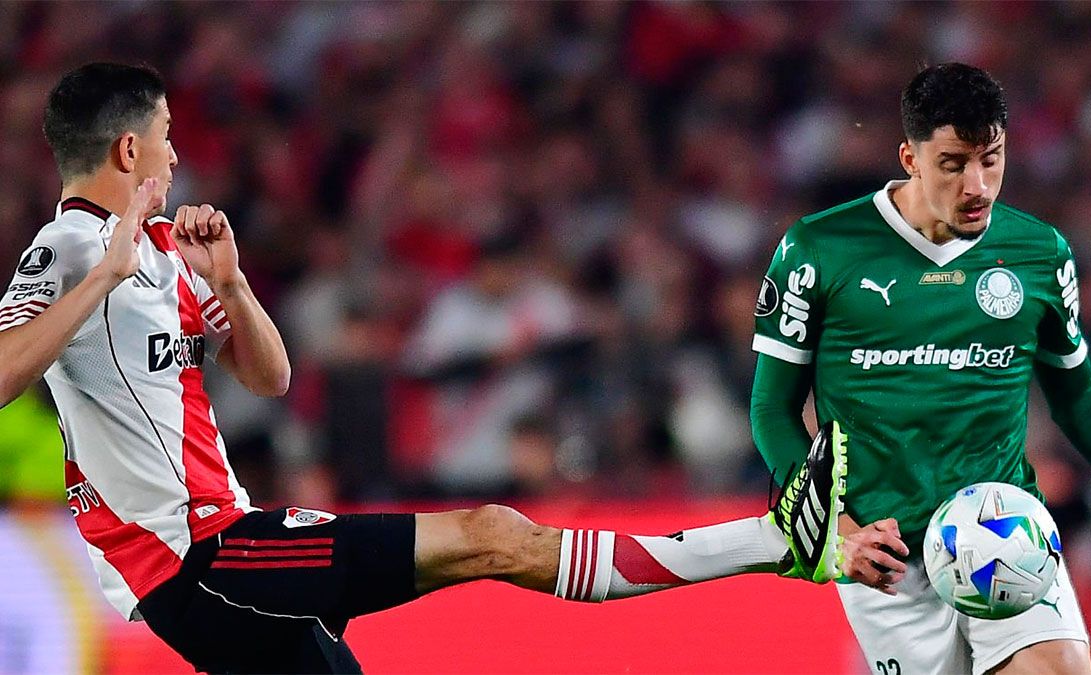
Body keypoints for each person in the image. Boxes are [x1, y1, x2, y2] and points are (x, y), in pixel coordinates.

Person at [0, 62, 854, 674]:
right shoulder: (69, 249)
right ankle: (772, 539)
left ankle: (774, 539)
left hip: (231, 544)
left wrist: (231, 283)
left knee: (490, 541)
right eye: (164, 138)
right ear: (127, 151)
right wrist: (102, 277)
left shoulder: (161, 253)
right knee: (491, 536)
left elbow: (268, 377)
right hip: (198, 560)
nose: (176, 157)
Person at [750, 62, 1091, 675]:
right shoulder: (818, 249)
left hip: (1004, 532)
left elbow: (1080, 400)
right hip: (889, 561)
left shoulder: (1038, 253)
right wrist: (836, 528)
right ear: (909, 158)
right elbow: (772, 410)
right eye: (953, 164)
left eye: (992, 159)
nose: (978, 185)